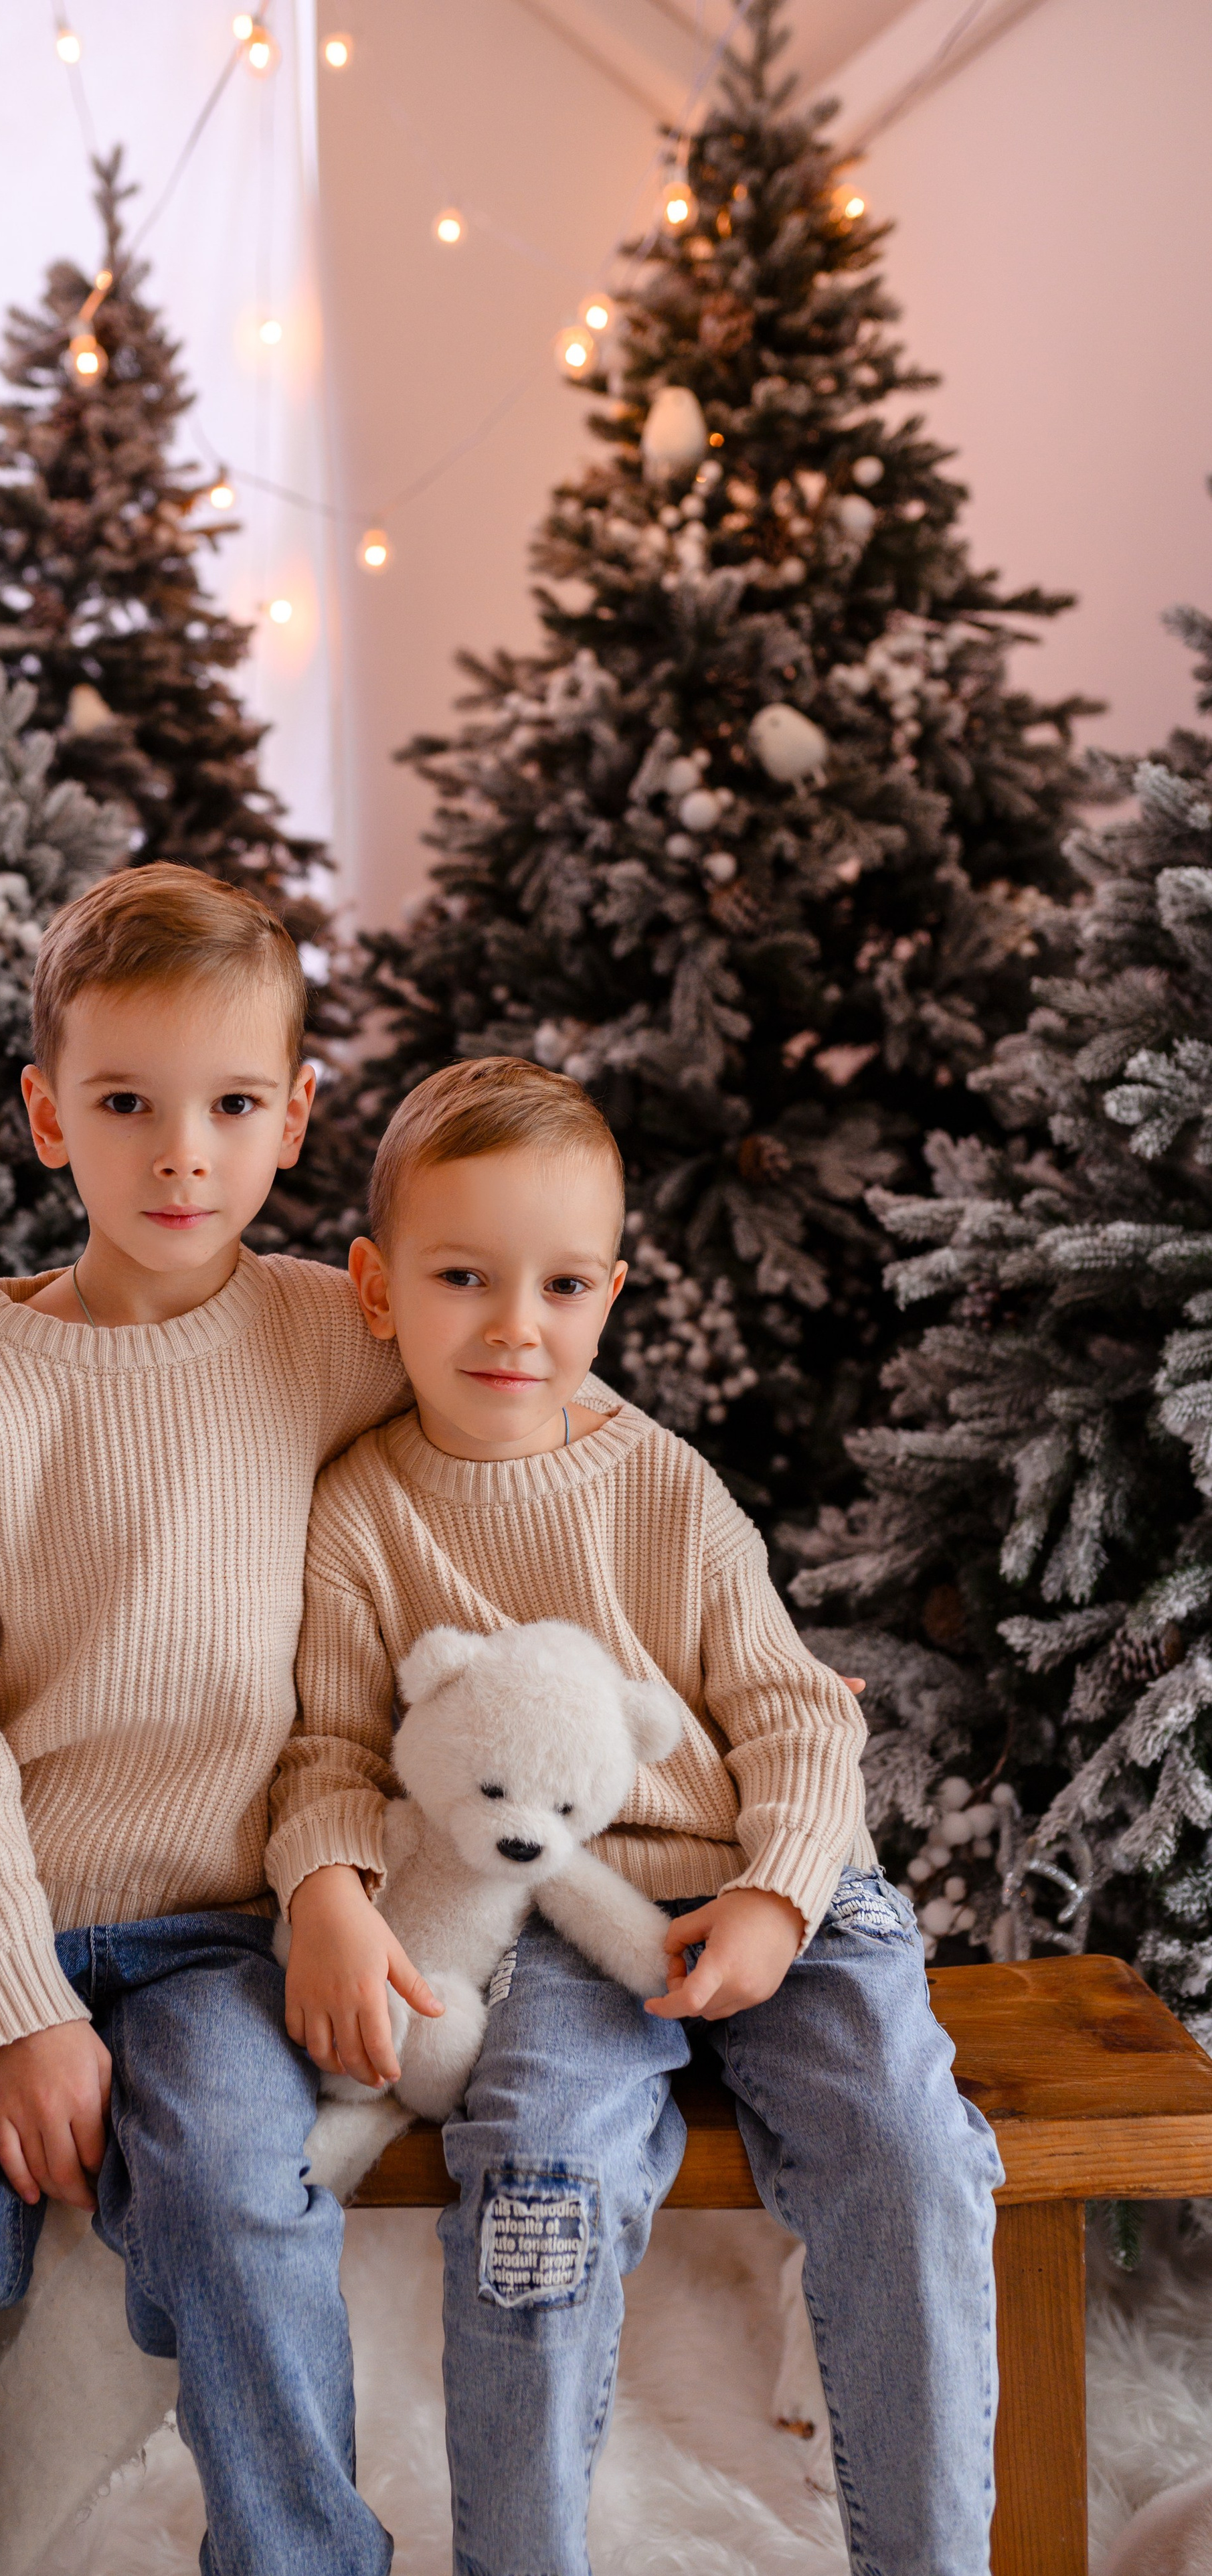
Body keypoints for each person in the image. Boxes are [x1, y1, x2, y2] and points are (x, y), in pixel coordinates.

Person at [0, 863, 432, 2576]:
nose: (178, 1153)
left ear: (294, 1117)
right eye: (126, 1104)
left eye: (225, 1105)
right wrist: (11, 2010)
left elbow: (545, 1417)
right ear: (51, 1119)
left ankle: (300, 2557)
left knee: (232, 2194)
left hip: (230, 1934)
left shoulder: (326, 1332)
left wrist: (729, 1654)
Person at [271, 1054, 1005, 2576]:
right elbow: (332, 1749)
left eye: (556, 1285)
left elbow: (798, 1713)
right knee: (532, 2176)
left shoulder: (663, 1490)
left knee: (907, 2155)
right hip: (562, 1928)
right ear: (376, 1286)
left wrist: (776, 1897)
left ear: (608, 1294)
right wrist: (325, 1888)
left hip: (775, 1897)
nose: (510, 1325)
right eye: (462, 1276)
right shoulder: (360, 1513)